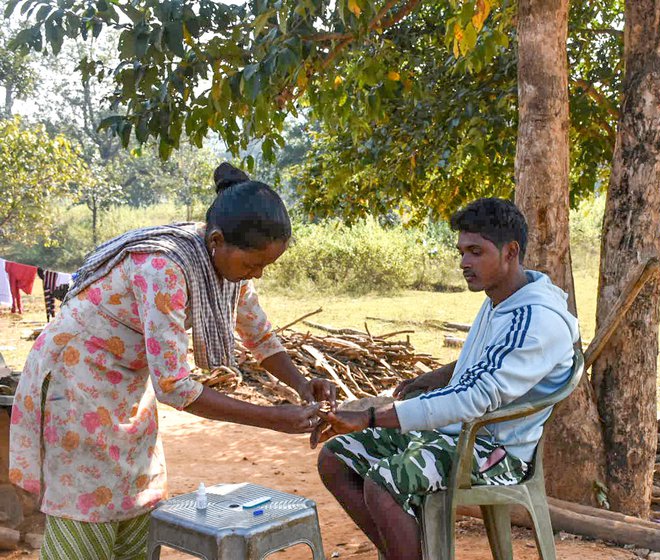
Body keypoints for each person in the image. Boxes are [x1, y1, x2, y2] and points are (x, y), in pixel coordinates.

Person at [9, 163, 335, 559]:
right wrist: (273, 419)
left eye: (265, 266)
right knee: (87, 504)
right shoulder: (164, 266)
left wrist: (301, 385)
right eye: (253, 265)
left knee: (137, 492)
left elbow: (259, 336)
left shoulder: (227, 267)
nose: (258, 275)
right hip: (74, 377)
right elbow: (174, 387)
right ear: (216, 240)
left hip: (126, 380)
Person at [315, 197, 580, 560]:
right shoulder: (501, 300)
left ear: (510, 252)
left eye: (475, 251)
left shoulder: (534, 320)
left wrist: (371, 416)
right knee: (337, 457)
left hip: (494, 452)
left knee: (384, 483)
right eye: (461, 252)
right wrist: (434, 377)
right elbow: (487, 363)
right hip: (458, 432)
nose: (464, 263)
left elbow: (473, 397)